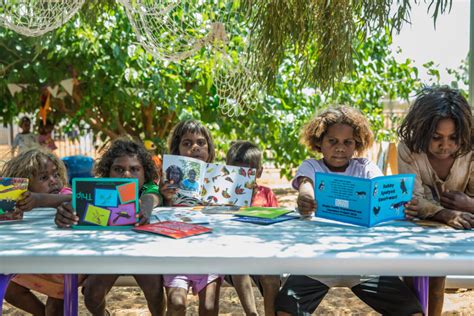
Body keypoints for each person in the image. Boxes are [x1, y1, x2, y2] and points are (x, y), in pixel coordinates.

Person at [275, 106, 423, 316]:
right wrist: (305, 196)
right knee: (284, 310)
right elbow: (306, 184)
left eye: (348, 142)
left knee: (412, 312)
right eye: (332, 141)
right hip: (318, 262)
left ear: (357, 144)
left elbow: (381, 190)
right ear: (319, 142)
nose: (340, 148)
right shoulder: (312, 167)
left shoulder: (365, 168)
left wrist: (402, 205)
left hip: (364, 262)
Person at [54, 138, 165, 316]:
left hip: (142, 253)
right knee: (92, 294)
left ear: (145, 174)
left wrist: (144, 209)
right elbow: (75, 200)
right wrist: (68, 211)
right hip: (108, 253)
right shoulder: (99, 190)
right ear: (107, 172)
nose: (127, 175)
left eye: (135, 169)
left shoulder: (147, 189)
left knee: (155, 291)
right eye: (119, 169)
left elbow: (152, 197)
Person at [397, 86, 474, 316]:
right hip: (415, 230)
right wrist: (446, 214)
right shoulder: (409, 149)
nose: (445, 146)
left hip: (458, 233)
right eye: (436, 137)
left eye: (453, 138)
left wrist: (469, 205)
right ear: (422, 131)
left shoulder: (471, 150)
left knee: (437, 285)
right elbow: (413, 199)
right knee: (411, 283)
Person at [159, 119, 221, 316]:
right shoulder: (168, 180)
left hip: (210, 255)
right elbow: (158, 216)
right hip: (177, 255)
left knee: (210, 309)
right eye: (187, 143)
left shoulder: (221, 180)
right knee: (177, 305)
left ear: (209, 149)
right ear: (176, 151)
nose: (195, 147)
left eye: (201, 143)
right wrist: (166, 199)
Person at [1, 147, 73, 315]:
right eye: (43, 177)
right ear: (24, 183)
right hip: (31, 261)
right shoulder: (18, 203)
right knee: (11, 291)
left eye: (55, 175)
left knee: (55, 307)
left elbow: (76, 197)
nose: (54, 181)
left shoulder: (63, 194)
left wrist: (40, 200)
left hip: (63, 265)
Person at [225, 140, 280, 316]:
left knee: (271, 278)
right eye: (237, 172)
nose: (243, 176)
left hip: (263, 251)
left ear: (260, 172)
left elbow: (278, 222)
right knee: (238, 268)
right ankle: (251, 313)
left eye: (248, 171)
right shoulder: (224, 195)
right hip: (234, 251)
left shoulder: (266, 194)